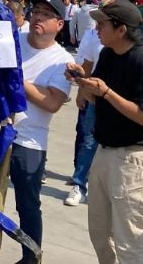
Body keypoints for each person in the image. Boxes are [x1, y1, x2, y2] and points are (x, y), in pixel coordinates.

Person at [66, 0, 143, 264]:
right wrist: (80, 81)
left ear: (121, 29)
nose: (97, 28)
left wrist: (106, 92)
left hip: (134, 158)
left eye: (102, 24)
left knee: (130, 237)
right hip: (105, 151)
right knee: (100, 232)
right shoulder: (108, 55)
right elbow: (98, 98)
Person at [4, 0, 72, 263]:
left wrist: (19, 79)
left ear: (59, 24)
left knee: (28, 206)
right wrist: (35, 87)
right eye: (36, 11)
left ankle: (31, 257)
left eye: (46, 14)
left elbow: (52, 102)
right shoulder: (12, 42)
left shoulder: (61, 61)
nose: (38, 17)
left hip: (29, 143)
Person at [64, 25, 104, 207]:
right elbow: (86, 67)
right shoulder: (95, 39)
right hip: (94, 99)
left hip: (118, 101)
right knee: (88, 141)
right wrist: (81, 90)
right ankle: (79, 185)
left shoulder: (131, 45)